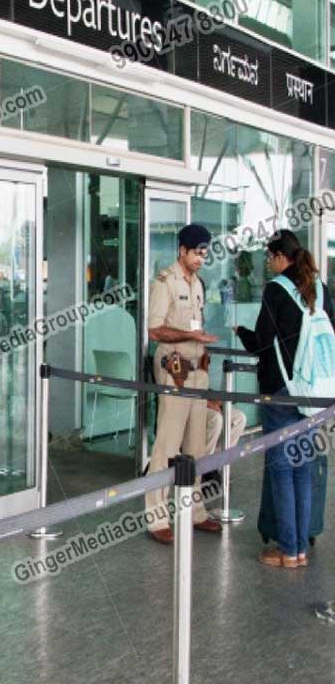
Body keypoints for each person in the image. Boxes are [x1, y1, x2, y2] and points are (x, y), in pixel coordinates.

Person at [236, 229, 335, 568]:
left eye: (269, 257)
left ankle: (288, 550)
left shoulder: (276, 291)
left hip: (280, 393)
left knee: (281, 470)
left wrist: (240, 333)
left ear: (281, 257)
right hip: (315, 393)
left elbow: (262, 343)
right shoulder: (320, 290)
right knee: (303, 468)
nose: (267, 262)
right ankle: (302, 549)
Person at [146, 224, 223, 544]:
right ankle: (156, 518)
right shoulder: (165, 282)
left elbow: (198, 325)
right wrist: (190, 336)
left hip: (197, 371)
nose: (201, 258)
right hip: (174, 370)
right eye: (196, 252)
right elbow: (155, 330)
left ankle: (195, 512)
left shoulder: (199, 283)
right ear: (182, 250)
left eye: (204, 253)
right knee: (166, 446)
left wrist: (201, 348)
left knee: (195, 447)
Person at [201, 400, 247, 488]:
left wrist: (218, 401)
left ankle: (218, 463)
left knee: (240, 417)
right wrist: (208, 403)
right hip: (193, 405)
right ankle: (205, 468)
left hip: (207, 400)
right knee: (216, 418)